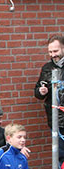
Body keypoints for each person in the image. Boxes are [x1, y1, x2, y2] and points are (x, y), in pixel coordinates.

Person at [34, 34, 64, 162]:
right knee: (60, 156)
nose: (53, 55)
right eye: (50, 52)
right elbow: (38, 91)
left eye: (55, 51)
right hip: (56, 120)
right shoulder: (47, 68)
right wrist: (41, 91)